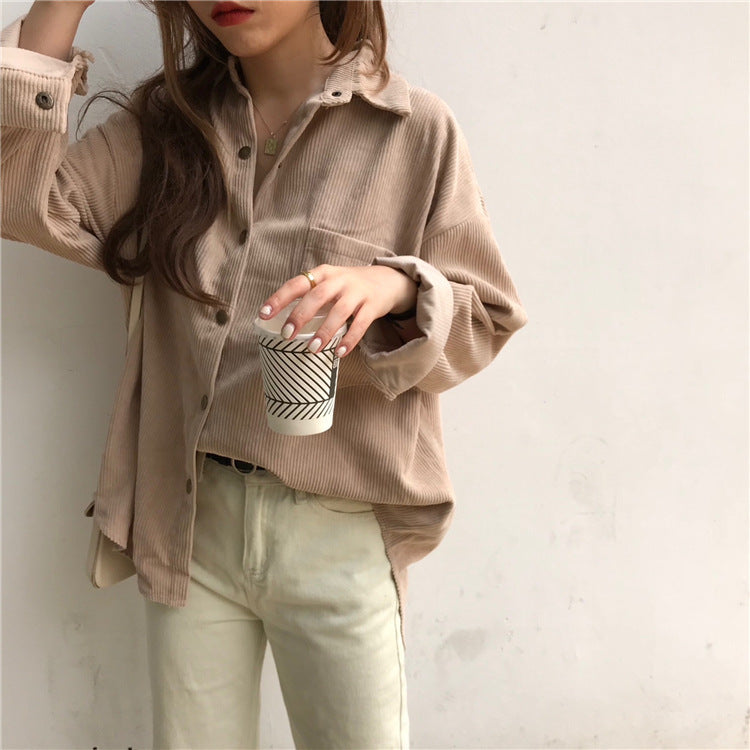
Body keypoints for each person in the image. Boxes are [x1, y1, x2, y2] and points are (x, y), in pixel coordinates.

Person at [0, 1, 528, 748]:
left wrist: (399, 286)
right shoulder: (164, 128)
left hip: (338, 533)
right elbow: (18, 201)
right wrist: (60, 5)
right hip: (190, 524)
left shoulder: (413, 131)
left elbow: (489, 317)